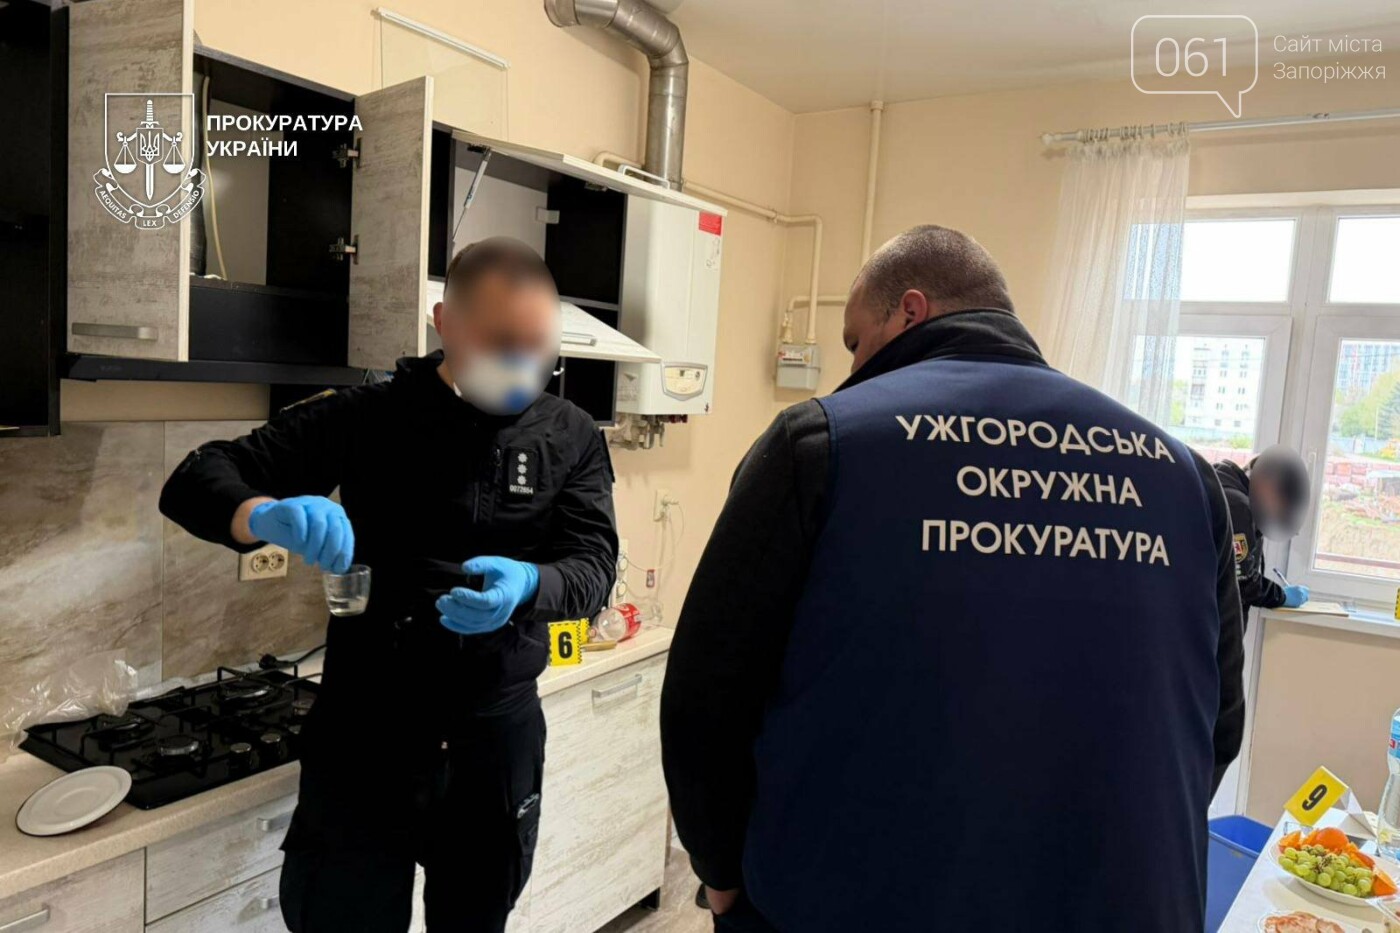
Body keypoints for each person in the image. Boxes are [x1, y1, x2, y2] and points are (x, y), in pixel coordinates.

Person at [661, 225, 1246, 932]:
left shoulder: (822, 445)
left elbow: (707, 702)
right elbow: (1217, 722)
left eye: (854, 341)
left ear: (910, 310)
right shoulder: (1183, 477)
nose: (853, 366)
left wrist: (721, 873)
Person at [159, 237, 618, 933]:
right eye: (501, 343)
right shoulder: (367, 415)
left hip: (495, 737)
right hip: (365, 730)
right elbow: (195, 478)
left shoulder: (572, 433)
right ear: (446, 322)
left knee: (476, 919)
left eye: (539, 348)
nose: (523, 365)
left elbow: (593, 567)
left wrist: (531, 583)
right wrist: (261, 514)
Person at [1214, 447, 1312, 611]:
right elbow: (1242, 582)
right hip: (1214, 615)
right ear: (1267, 486)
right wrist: (1281, 596)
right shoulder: (1238, 508)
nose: (1278, 512)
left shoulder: (1228, 488)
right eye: (1281, 502)